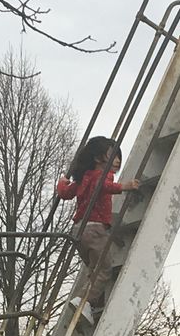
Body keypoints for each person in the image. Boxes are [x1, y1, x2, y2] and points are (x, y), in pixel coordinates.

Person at [56, 136, 139, 322]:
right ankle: (85, 302)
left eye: (118, 156)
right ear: (98, 158)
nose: (117, 160)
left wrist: (62, 181)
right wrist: (124, 186)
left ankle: (89, 305)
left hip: (78, 231)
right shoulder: (101, 175)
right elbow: (103, 186)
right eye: (112, 155)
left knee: (94, 268)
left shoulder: (83, 178)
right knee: (104, 269)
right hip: (95, 229)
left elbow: (65, 193)